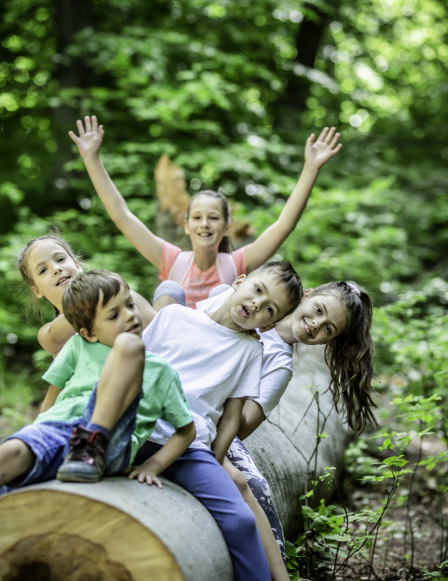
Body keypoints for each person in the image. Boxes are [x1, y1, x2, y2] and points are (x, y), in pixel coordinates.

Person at [132, 261, 303, 581]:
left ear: (270, 324)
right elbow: (133, 369)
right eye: (257, 290)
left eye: (269, 309)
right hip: (137, 432)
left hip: (190, 448)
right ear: (239, 282)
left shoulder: (251, 351)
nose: (256, 304)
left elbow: (231, 417)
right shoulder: (173, 317)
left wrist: (216, 459)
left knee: (240, 519)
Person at [69, 114, 342, 308]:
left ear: (225, 227)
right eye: (197, 217)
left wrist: (310, 168)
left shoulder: (235, 265)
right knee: (168, 289)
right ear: (186, 226)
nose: (204, 224)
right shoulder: (172, 261)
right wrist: (91, 159)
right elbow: (122, 216)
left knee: (224, 292)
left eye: (213, 218)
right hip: (173, 344)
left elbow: (283, 225)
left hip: (215, 347)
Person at [197, 279, 377, 560]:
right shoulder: (252, 307)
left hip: (210, 420)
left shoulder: (280, 365)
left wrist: (233, 398)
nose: (316, 324)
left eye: (328, 328)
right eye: (318, 309)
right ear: (306, 296)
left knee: (250, 487)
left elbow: (241, 428)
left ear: (330, 340)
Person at [0, 270, 195, 490]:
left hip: (110, 444)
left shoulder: (160, 369)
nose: (130, 315)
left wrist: (153, 465)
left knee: (129, 345)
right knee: (9, 453)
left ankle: (91, 443)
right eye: (114, 315)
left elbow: (187, 430)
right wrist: (36, 430)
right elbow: (52, 398)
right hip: (57, 430)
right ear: (89, 334)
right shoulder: (78, 346)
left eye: (130, 305)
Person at [18, 232, 156, 358]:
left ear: (77, 265)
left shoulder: (122, 297)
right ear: (37, 291)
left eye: (60, 259)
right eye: (43, 270)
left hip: (151, 364)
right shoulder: (47, 332)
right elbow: (52, 339)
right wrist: (92, 298)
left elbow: (161, 329)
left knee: (168, 290)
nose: (56, 269)